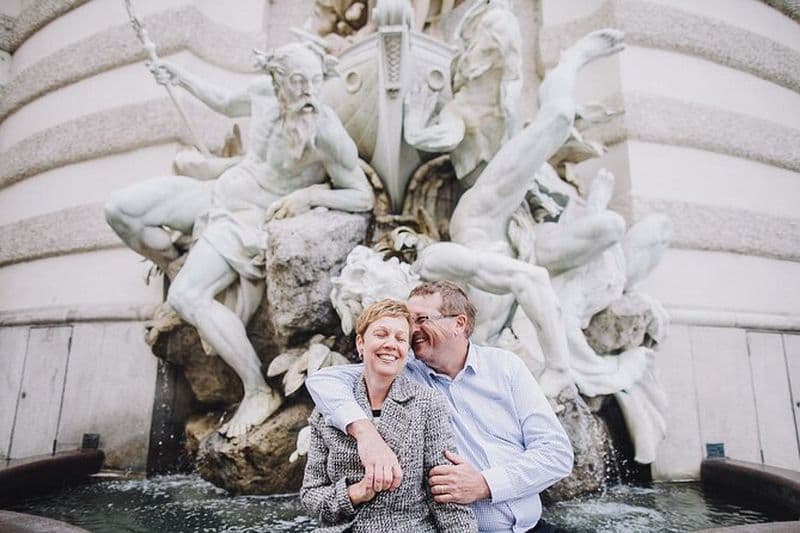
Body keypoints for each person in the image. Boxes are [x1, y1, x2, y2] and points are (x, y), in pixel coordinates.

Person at [105, 42, 375, 437]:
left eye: (315, 81)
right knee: (121, 210)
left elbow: (362, 196)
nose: (309, 92)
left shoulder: (325, 130)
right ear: (277, 79)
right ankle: (175, 259)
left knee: (186, 297)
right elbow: (224, 100)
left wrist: (308, 196)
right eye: (298, 82)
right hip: (221, 193)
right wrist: (180, 77)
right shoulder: (263, 93)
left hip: (249, 221)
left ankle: (257, 390)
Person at [306, 281, 573, 532]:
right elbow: (322, 381)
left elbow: (556, 453)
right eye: (411, 322)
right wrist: (367, 435)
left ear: (459, 323)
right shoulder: (403, 372)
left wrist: (484, 484)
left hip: (532, 526)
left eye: (421, 319)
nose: (413, 331)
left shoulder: (506, 367)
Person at [301, 299, 477, 532]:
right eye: (381, 334)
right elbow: (311, 495)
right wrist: (357, 493)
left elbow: (446, 496)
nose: (391, 344)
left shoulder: (428, 404)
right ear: (360, 343)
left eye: (400, 338)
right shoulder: (329, 409)